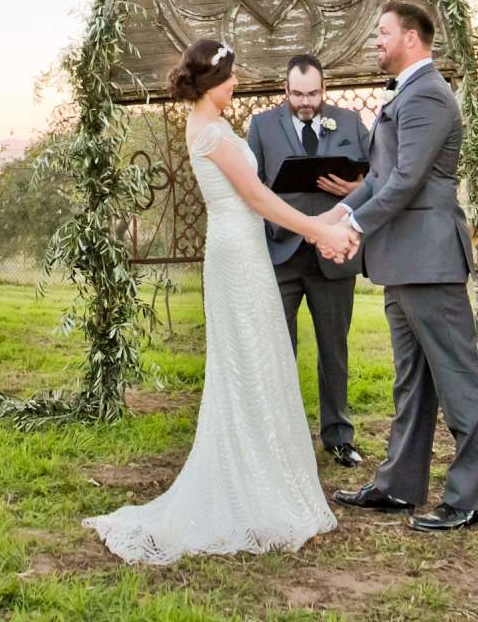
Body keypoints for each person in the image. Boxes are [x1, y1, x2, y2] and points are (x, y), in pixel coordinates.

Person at [86, 38, 353, 563]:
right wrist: (318, 228)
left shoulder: (209, 125)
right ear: (212, 84)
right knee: (249, 363)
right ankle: (253, 487)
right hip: (238, 254)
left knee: (255, 361)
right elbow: (257, 198)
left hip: (240, 246)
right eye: (231, 77)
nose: (236, 84)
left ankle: (261, 470)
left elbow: (259, 200)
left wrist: (320, 221)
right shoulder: (211, 132)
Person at [325, 2, 478, 533]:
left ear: (412, 39)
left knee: (458, 378)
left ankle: (472, 496)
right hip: (402, 261)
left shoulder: (427, 94)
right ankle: (400, 485)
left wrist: (353, 230)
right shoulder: (407, 94)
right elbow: (382, 177)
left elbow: (407, 181)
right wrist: (340, 212)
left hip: (429, 260)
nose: (376, 41)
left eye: (383, 33)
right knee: (413, 381)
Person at [245, 53, 371, 467]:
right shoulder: (262, 127)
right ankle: (282, 438)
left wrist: (353, 186)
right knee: (280, 348)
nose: (305, 101)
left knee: (333, 348)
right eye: (297, 94)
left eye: (313, 93)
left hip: (333, 255)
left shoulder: (350, 122)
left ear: (324, 88)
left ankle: (338, 436)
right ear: (285, 90)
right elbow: (251, 188)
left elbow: (378, 176)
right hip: (282, 253)